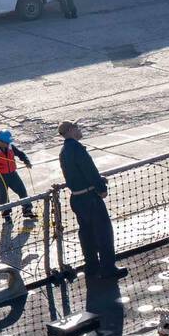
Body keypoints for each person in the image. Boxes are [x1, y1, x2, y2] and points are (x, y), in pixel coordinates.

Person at [58, 120, 123, 280]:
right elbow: (89, 170)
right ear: (72, 130)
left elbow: (75, 173)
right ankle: (108, 268)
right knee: (104, 233)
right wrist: (101, 188)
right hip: (90, 198)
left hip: (77, 198)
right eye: (77, 128)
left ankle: (91, 267)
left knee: (86, 234)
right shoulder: (78, 149)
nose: (80, 130)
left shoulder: (63, 151)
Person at [0, 130, 36, 222]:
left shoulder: (10, 147)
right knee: (3, 196)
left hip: (13, 175)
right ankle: (6, 215)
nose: (8, 144)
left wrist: (26, 161)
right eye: (6, 142)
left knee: (22, 191)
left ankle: (27, 210)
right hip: (0, 177)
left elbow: (21, 154)